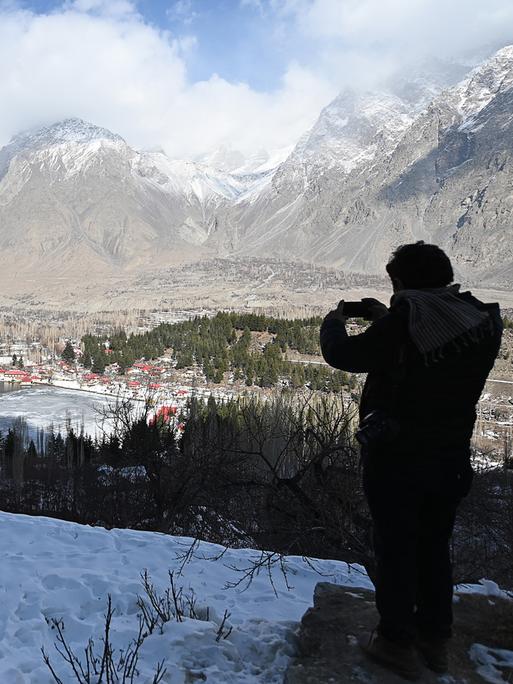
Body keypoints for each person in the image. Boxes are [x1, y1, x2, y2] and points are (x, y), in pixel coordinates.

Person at [320, 242, 503, 681]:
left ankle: (395, 641)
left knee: (397, 546)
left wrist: (335, 320)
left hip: (399, 459)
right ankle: (435, 639)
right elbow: (428, 353)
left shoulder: (406, 323)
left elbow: (344, 355)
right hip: (452, 457)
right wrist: (388, 316)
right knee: (435, 546)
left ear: (400, 283)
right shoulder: (480, 319)